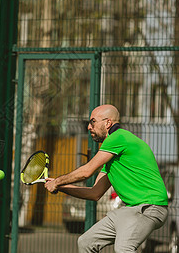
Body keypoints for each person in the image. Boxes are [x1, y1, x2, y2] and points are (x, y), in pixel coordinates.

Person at [44, 104, 168, 253]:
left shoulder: (118, 138)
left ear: (108, 123)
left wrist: (57, 181)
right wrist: (60, 187)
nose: (89, 127)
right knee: (85, 242)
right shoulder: (112, 158)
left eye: (93, 122)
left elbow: (87, 171)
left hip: (149, 207)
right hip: (129, 210)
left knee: (124, 248)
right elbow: (94, 193)